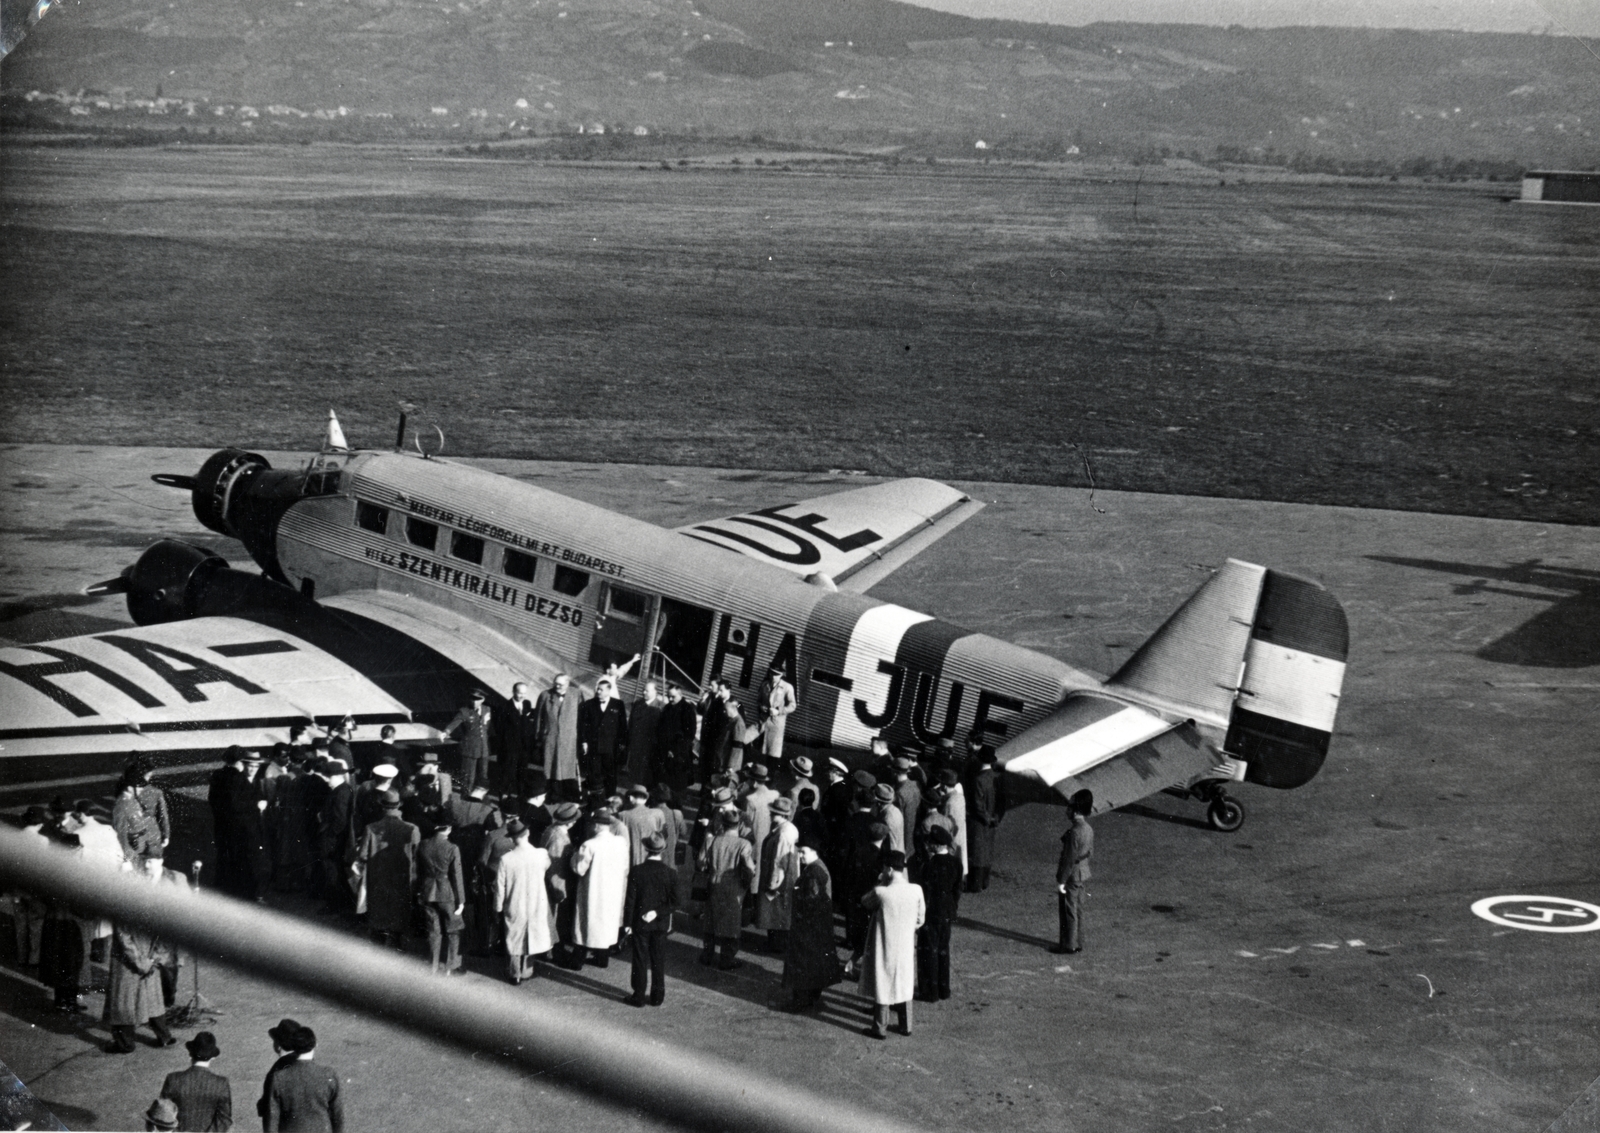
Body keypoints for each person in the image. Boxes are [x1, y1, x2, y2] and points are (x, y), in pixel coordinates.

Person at [103, 872, 177, 1053]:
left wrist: (142, 963)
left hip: (127, 965)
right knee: (153, 1001)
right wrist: (154, 960)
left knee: (123, 1004)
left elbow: (124, 942)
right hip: (150, 962)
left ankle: (125, 1044)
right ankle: (164, 1037)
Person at [859, 851, 924, 1039]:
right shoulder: (916, 890)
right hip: (905, 944)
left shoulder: (882, 892)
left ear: (888, 869)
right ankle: (906, 1025)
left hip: (884, 943)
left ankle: (879, 1027)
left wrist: (880, 882)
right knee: (904, 982)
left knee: (883, 982)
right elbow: (920, 919)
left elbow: (865, 902)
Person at [781, 838, 841, 1012]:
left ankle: (800, 1002)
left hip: (808, 928)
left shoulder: (813, 873)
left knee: (802, 965)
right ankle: (811, 998)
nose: (799, 855)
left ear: (815, 852)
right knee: (815, 965)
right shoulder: (819, 866)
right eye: (799, 852)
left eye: (803, 852)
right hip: (819, 927)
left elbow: (811, 900)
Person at [356, 790, 419, 950]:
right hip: (402, 877)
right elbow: (416, 855)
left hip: (378, 877)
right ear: (399, 805)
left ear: (382, 806)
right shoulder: (412, 829)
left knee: (379, 907)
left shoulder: (371, 828)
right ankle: (396, 940)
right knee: (398, 908)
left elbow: (363, 855)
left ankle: (378, 940)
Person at [622, 831, 680, 1007]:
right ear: (662, 850)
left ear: (646, 849)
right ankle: (657, 996)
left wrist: (627, 923)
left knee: (640, 959)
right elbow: (676, 902)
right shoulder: (670, 873)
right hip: (660, 924)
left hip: (640, 923)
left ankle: (638, 995)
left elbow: (630, 899)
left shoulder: (637, 871)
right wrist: (658, 912)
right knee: (658, 959)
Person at [494, 818, 554, 985]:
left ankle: (515, 974)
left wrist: (498, 906)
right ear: (528, 833)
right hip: (536, 902)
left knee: (514, 937)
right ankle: (528, 970)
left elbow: (500, 886)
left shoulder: (506, 859)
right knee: (532, 935)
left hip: (514, 902)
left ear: (512, 838)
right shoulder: (541, 854)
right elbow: (547, 867)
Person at [570, 806, 630, 967]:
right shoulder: (620, 842)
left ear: (596, 825)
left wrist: (574, 856)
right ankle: (602, 959)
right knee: (606, 925)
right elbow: (625, 867)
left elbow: (579, 869)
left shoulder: (589, 845)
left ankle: (577, 961)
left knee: (585, 925)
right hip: (612, 891)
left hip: (592, 891)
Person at [698, 809, 756, 971]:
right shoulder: (743, 844)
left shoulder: (711, 841)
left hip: (713, 885)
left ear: (722, 824)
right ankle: (726, 959)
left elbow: (700, 863)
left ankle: (707, 955)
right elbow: (750, 869)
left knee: (710, 921)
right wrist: (746, 883)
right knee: (731, 925)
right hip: (734, 889)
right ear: (739, 825)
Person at [259, 1021, 342, 1133]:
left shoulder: (279, 1076)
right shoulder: (328, 1074)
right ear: (314, 1044)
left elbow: (270, 1115)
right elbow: (337, 1114)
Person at [916, 825, 962, 1001]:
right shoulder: (956, 862)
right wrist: (952, 906)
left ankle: (930, 991)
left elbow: (924, 893)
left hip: (931, 912)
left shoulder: (929, 865)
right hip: (947, 911)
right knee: (943, 950)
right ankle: (944, 989)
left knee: (929, 952)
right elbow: (958, 889)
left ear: (936, 845)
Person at [417, 817, 466, 975]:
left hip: (428, 890)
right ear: (449, 829)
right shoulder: (452, 848)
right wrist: (462, 900)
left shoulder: (423, 844)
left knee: (433, 930)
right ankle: (451, 966)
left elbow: (418, 869)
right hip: (447, 892)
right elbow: (457, 875)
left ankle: (433, 965)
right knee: (453, 929)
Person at [161, 1031, 232, 1132]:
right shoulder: (221, 1083)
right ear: (213, 1057)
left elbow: (162, 1114)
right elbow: (224, 1119)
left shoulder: (173, 1079)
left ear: (190, 1053)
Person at [540, 802, 583, 969]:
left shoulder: (552, 829)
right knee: (554, 919)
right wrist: (558, 891)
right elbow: (554, 868)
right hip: (557, 884)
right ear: (570, 822)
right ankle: (551, 952)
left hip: (552, 882)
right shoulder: (559, 838)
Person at [755, 796, 800, 954]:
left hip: (780, 877)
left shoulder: (783, 834)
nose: (771, 815)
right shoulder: (785, 828)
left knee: (777, 910)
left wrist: (773, 882)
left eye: (775, 813)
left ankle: (777, 944)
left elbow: (779, 861)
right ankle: (776, 941)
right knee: (777, 909)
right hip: (784, 875)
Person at [1054, 789, 1094, 954]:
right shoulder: (1088, 829)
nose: (1066, 810)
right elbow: (1090, 852)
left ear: (1075, 809)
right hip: (1082, 873)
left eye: (1069, 806)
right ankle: (1078, 942)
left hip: (1072, 876)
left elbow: (1069, 859)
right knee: (1078, 909)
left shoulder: (1074, 833)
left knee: (1068, 910)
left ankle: (1068, 944)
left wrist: (1061, 880)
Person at [535, 673, 584, 801]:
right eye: (555, 683)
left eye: (560, 684)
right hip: (551, 737)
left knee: (567, 768)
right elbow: (538, 717)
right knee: (550, 767)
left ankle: (567, 795)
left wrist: (582, 738)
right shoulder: (545, 695)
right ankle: (552, 795)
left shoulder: (576, 694)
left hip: (569, 739)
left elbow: (583, 717)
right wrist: (539, 736)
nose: (557, 686)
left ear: (568, 684)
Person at [578, 676, 629, 798]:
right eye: (597, 689)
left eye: (601, 689)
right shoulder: (588, 704)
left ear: (608, 690)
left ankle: (610, 798)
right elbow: (583, 725)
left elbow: (623, 726)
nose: (598, 692)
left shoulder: (618, 704)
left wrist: (622, 745)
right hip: (594, 746)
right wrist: (584, 741)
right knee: (594, 774)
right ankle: (593, 799)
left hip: (611, 748)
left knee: (610, 775)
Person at [964, 738, 1003, 892]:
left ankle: (975, 884)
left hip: (979, 821)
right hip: (992, 821)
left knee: (976, 851)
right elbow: (1002, 803)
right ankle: (985, 881)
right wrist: (995, 818)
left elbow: (977, 804)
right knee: (987, 850)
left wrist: (986, 818)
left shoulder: (978, 779)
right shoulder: (997, 779)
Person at [441, 688, 495, 796]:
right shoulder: (464, 711)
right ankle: (465, 797)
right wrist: (446, 732)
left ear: (483, 699)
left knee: (483, 776)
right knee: (468, 777)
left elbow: (487, 728)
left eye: (478, 699)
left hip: (483, 748)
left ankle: (480, 797)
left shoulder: (487, 709)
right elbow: (455, 723)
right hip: (469, 748)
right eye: (472, 699)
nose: (474, 702)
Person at [497, 680, 539, 798]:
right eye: (520, 693)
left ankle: (521, 797)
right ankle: (504, 797)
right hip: (510, 748)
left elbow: (527, 724)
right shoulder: (504, 707)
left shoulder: (527, 704)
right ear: (513, 692)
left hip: (524, 748)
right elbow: (500, 729)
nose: (522, 696)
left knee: (522, 773)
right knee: (508, 773)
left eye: (524, 693)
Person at [654, 684, 698, 793]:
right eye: (668, 696)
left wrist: (674, 750)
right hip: (664, 749)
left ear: (680, 695)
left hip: (678, 753)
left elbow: (689, 734)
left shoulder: (687, 709)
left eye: (673, 696)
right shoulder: (668, 707)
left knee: (675, 783)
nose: (670, 699)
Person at [625, 680, 665, 788]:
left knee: (647, 775)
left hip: (650, 748)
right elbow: (631, 723)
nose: (643, 692)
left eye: (647, 691)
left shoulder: (661, 707)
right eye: (643, 690)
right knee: (634, 773)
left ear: (656, 692)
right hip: (636, 745)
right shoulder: (638, 703)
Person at [617, 784, 666, 866]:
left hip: (632, 862)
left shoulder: (622, 815)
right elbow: (663, 835)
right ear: (645, 800)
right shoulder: (658, 814)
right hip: (652, 861)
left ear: (631, 798)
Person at [758, 662, 798, 762]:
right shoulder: (765, 685)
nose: (773, 676)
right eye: (771, 673)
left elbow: (793, 705)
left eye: (776, 674)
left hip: (776, 725)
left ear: (781, 675)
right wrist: (761, 707)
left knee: (772, 755)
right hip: (764, 722)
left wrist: (778, 711)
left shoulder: (787, 687)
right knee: (761, 753)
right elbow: (758, 701)